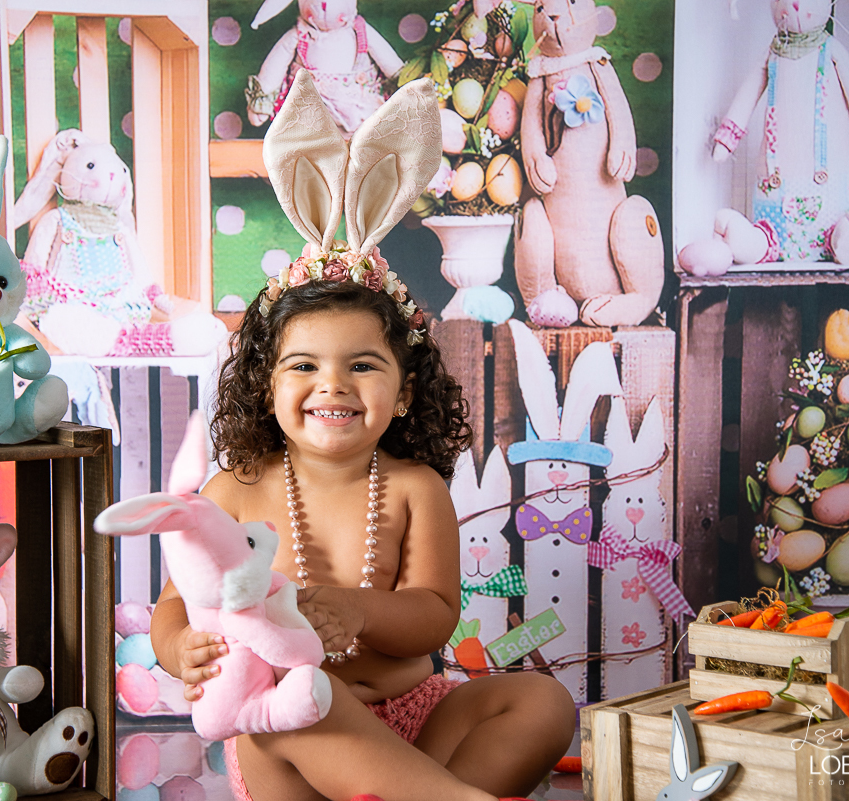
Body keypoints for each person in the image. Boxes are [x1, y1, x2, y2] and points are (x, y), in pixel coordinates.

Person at [151, 68, 575, 801]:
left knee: (544, 701)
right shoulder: (234, 490)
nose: (334, 386)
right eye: (304, 366)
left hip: (416, 720)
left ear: (404, 390)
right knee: (292, 695)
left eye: (363, 365)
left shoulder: (414, 488)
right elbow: (174, 602)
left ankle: (418, 790)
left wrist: (360, 610)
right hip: (294, 734)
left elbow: (434, 614)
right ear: (266, 386)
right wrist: (177, 646)